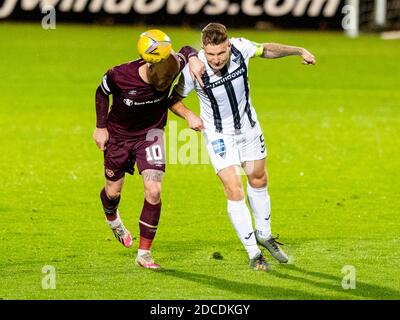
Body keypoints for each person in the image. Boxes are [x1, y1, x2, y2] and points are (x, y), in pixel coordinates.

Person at [170, 23, 316, 271]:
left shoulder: (240, 48)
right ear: (203, 49)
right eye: (210, 54)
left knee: (258, 179)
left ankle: (265, 235)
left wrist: (298, 50)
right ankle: (253, 253)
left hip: (249, 128)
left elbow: (265, 50)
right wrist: (189, 116)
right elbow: (174, 100)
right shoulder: (193, 69)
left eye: (221, 53)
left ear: (228, 45)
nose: (216, 59)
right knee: (234, 188)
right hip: (219, 136)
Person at [93, 30, 204, 269]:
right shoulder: (119, 75)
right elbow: (102, 93)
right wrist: (100, 127)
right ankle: (112, 218)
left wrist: (194, 58)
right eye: (162, 82)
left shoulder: (171, 65)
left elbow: (185, 50)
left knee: (154, 191)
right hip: (119, 138)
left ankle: (144, 253)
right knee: (113, 193)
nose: (165, 86)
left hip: (151, 136)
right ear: (149, 65)